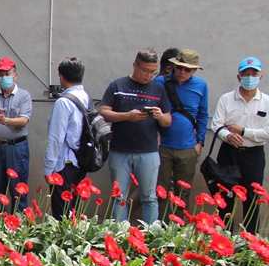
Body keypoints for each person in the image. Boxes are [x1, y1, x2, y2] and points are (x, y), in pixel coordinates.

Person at [99, 48, 171, 224]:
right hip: (120, 149)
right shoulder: (117, 86)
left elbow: (168, 121)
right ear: (135, 65)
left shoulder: (158, 89)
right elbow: (104, 112)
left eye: (153, 72)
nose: (149, 75)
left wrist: (159, 116)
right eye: (145, 70)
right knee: (119, 196)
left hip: (148, 151)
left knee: (149, 197)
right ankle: (119, 234)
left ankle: (150, 234)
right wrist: (127, 116)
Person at [211, 57, 269, 234]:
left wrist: (244, 132)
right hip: (229, 153)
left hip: (253, 156)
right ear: (238, 77)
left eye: (254, 74)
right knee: (226, 196)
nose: (250, 77)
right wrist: (228, 136)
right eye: (245, 74)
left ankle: (249, 240)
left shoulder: (266, 101)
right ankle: (224, 236)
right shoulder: (226, 99)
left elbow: (267, 132)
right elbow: (216, 125)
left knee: (252, 199)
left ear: (260, 77)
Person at [154, 49, 208, 214]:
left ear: (195, 70)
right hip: (162, 145)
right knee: (160, 191)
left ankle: (178, 226)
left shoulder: (201, 85)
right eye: (179, 67)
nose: (182, 72)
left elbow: (203, 115)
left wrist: (200, 143)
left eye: (187, 69)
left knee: (183, 193)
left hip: (187, 146)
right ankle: (161, 225)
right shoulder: (160, 82)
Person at [0, 58, 32, 212]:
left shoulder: (24, 96)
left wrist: (4, 120)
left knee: (19, 192)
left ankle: (18, 224)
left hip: (16, 148)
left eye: (7, 74)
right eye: (0, 75)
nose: (3, 78)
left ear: (15, 75)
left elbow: (23, 121)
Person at [43, 57, 89, 218]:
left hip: (64, 163)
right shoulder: (86, 97)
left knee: (61, 214)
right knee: (74, 211)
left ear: (61, 77)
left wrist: (48, 168)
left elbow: (56, 138)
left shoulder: (63, 102)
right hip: (80, 161)